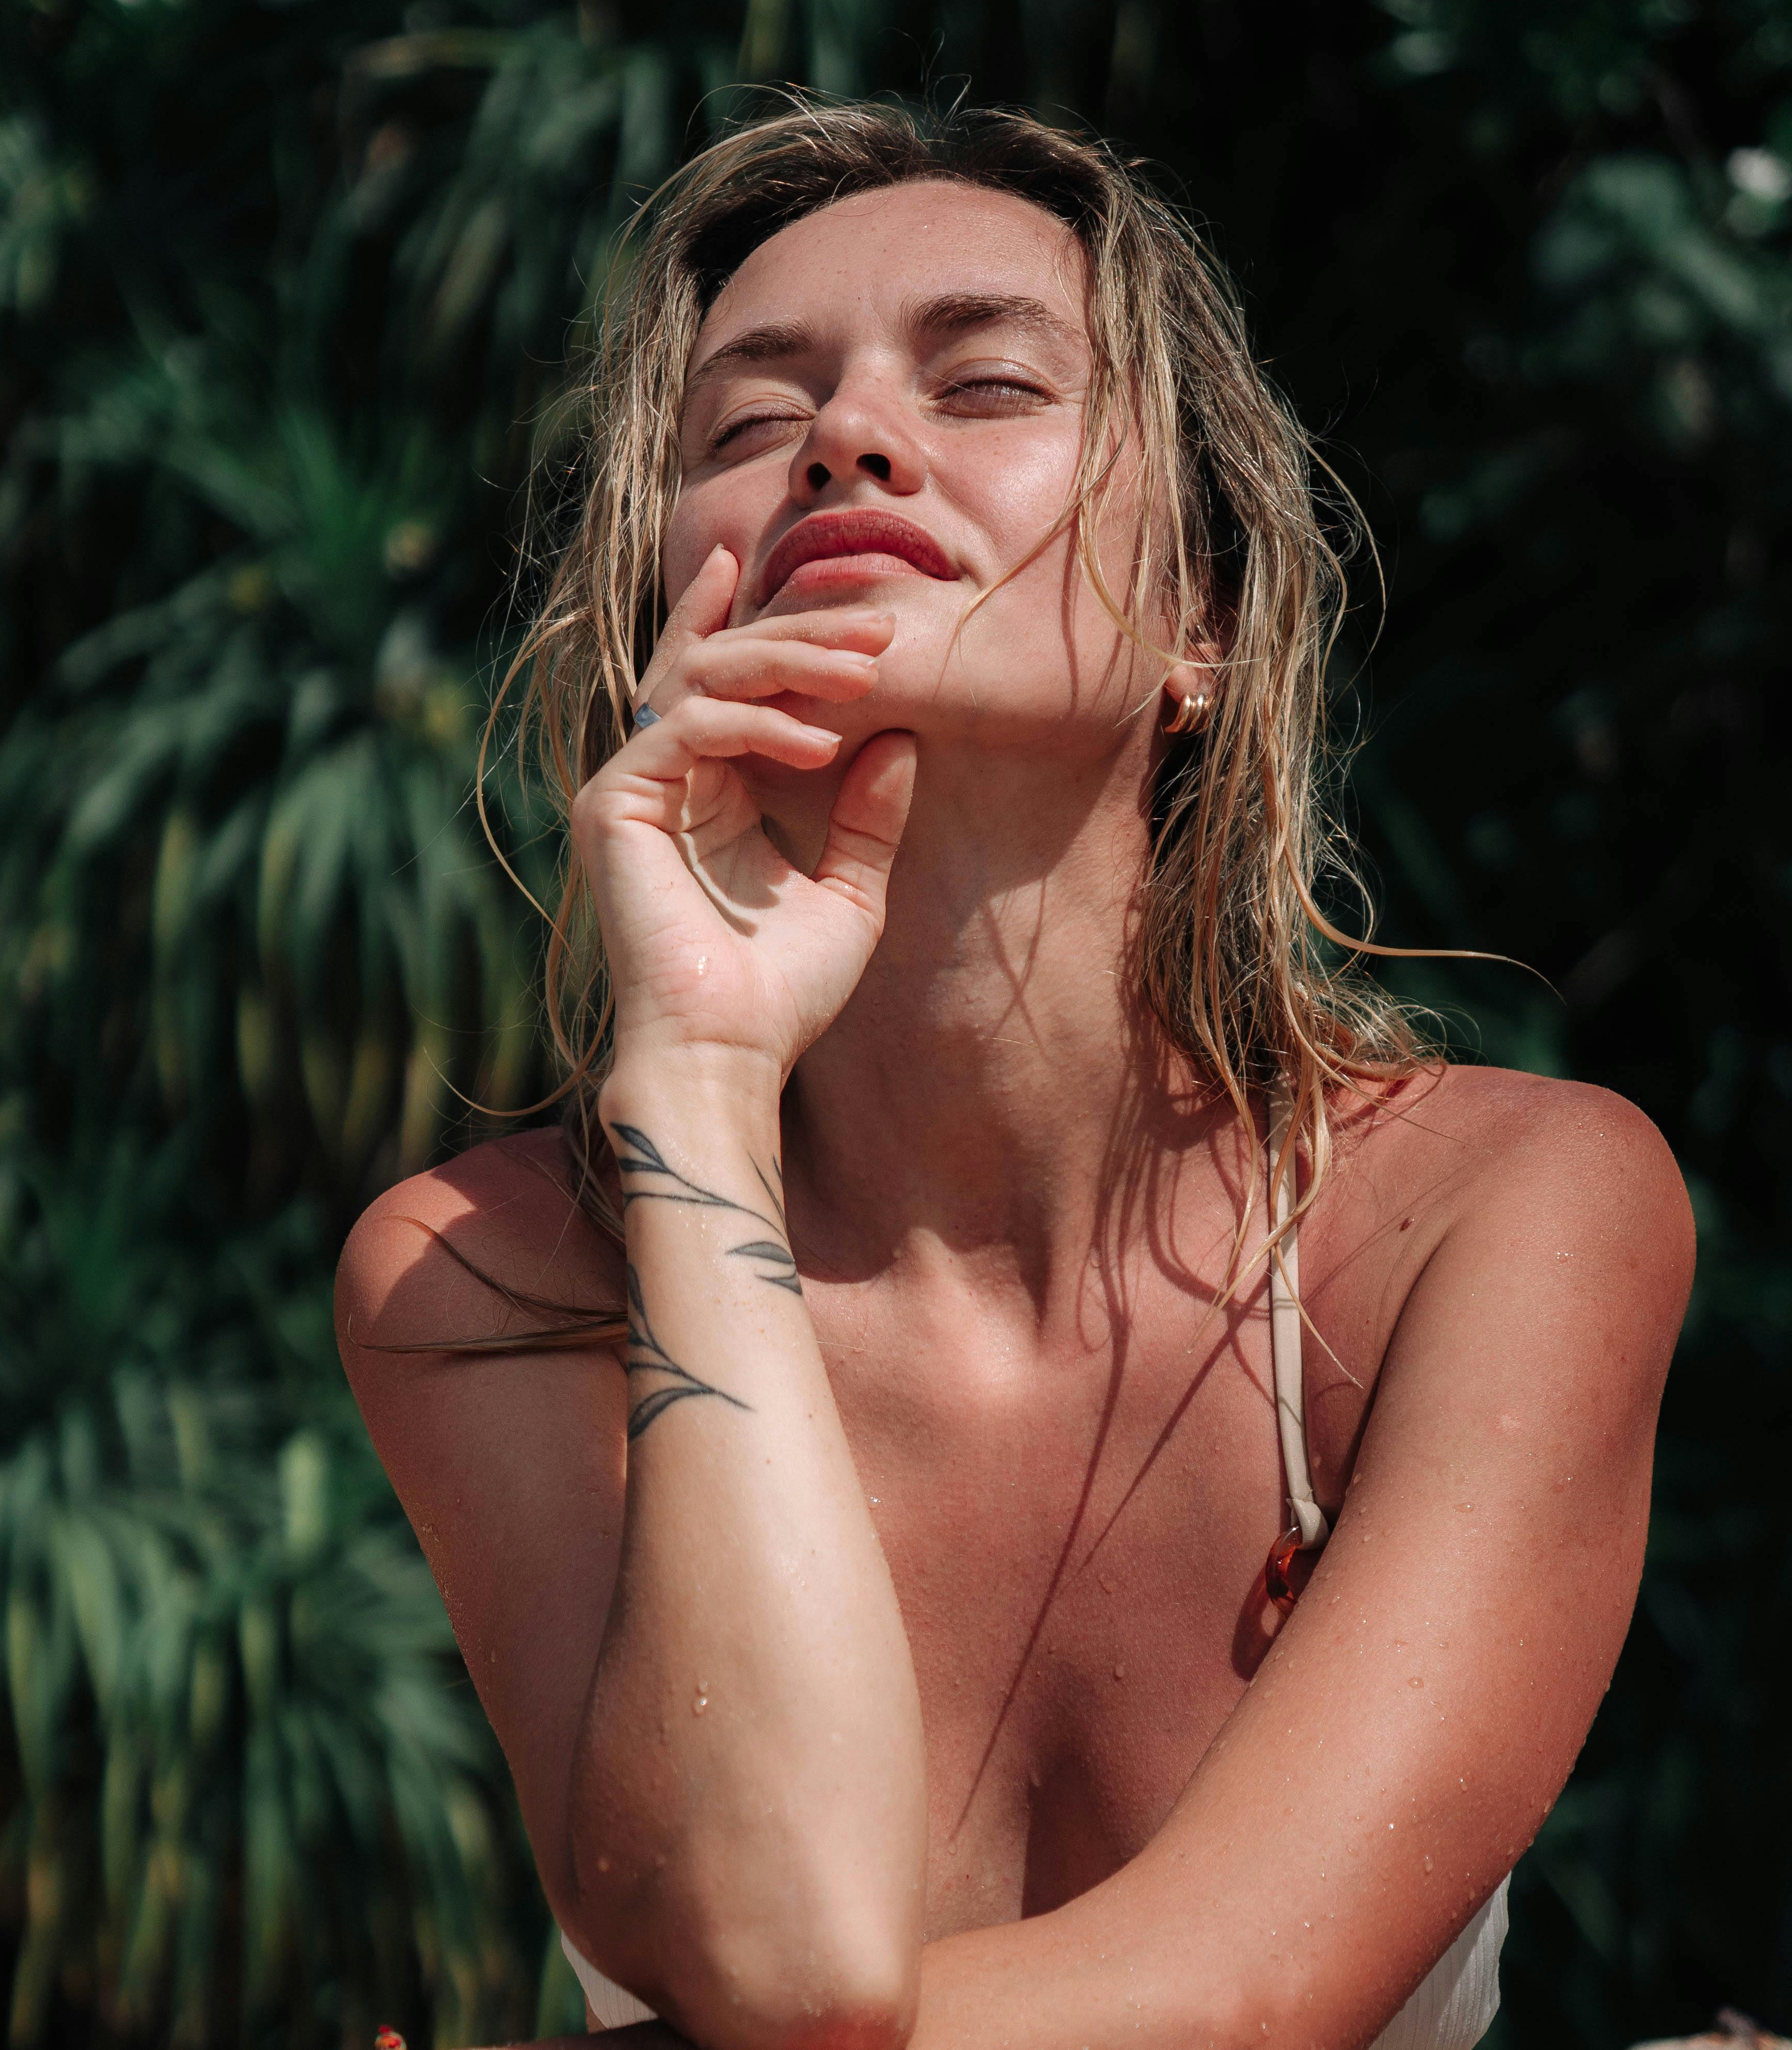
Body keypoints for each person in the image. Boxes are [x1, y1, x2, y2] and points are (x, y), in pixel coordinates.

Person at [336, 101, 1692, 2050]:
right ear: (667, 619)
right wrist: (700, 1078)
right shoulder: (489, 1281)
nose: (847, 443)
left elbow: (1234, 1997)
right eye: (742, 427)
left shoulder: (1498, 1216)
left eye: (985, 381)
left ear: (1205, 625)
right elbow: (786, 1957)